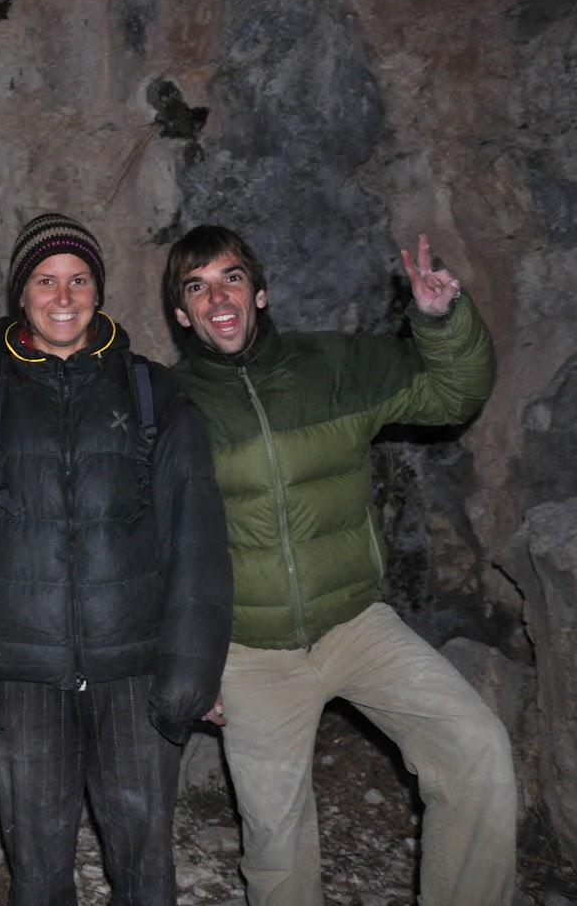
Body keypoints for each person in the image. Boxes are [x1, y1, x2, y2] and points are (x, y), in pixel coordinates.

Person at [163, 225, 516, 906]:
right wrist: (186, 658)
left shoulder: (334, 364)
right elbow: (150, 539)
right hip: (250, 651)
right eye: (197, 288)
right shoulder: (170, 404)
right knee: (276, 845)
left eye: (231, 277)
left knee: (475, 748)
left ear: (259, 293)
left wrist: (441, 321)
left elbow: (451, 396)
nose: (218, 298)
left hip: (358, 626)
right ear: (182, 314)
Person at [0, 213, 231, 905]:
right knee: (38, 873)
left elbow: (195, 534)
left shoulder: (153, 394)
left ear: (99, 291)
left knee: (145, 867)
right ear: (21, 294)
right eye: (45, 280)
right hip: (25, 679)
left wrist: (191, 668)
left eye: (78, 280)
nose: (63, 296)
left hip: (134, 672)